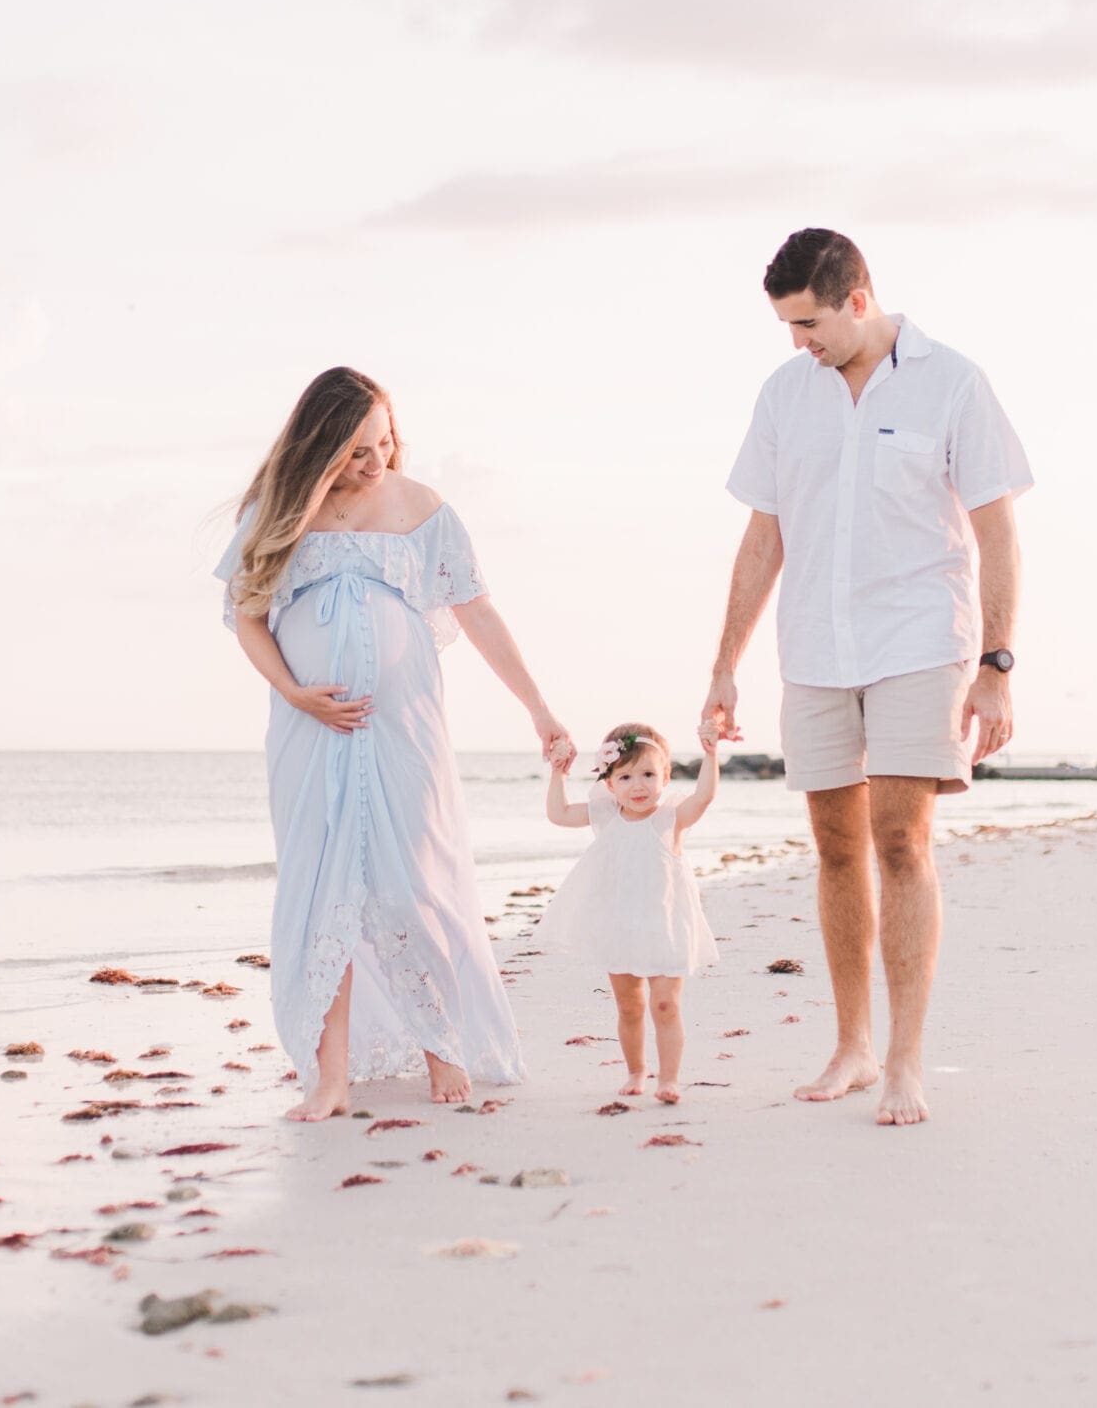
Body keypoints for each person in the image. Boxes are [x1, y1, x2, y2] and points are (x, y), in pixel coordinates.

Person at [698, 229, 1031, 1127]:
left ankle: (905, 1061)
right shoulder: (784, 395)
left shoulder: (952, 381)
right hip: (813, 649)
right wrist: (724, 665)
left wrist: (996, 666)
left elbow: (996, 531)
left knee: (898, 840)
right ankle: (850, 1044)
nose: (798, 341)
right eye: (785, 325)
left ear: (857, 297)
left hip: (921, 642)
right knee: (837, 845)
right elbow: (763, 535)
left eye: (808, 321)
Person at [218, 366, 574, 1121]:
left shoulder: (423, 509)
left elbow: (477, 614)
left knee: (412, 879)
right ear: (317, 448)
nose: (375, 461)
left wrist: (537, 707)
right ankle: (332, 1077)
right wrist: (295, 692)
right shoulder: (277, 510)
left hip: (403, 725)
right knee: (324, 892)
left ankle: (443, 1045)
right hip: (310, 729)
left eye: (383, 442)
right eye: (354, 450)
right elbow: (248, 615)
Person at [537, 723, 721, 1104]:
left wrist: (711, 754)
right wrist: (557, 773)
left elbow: (703, 797)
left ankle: (669, 1079)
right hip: (619, 925)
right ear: (609, 784)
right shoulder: (606, 815)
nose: (638, 786)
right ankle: (637, 1070)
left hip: (666, 925)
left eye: (649, 775)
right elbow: (558, 814)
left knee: (665, 1004)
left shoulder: (669, 818)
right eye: (625, 776)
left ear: (666, 776)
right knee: (630, 1005)